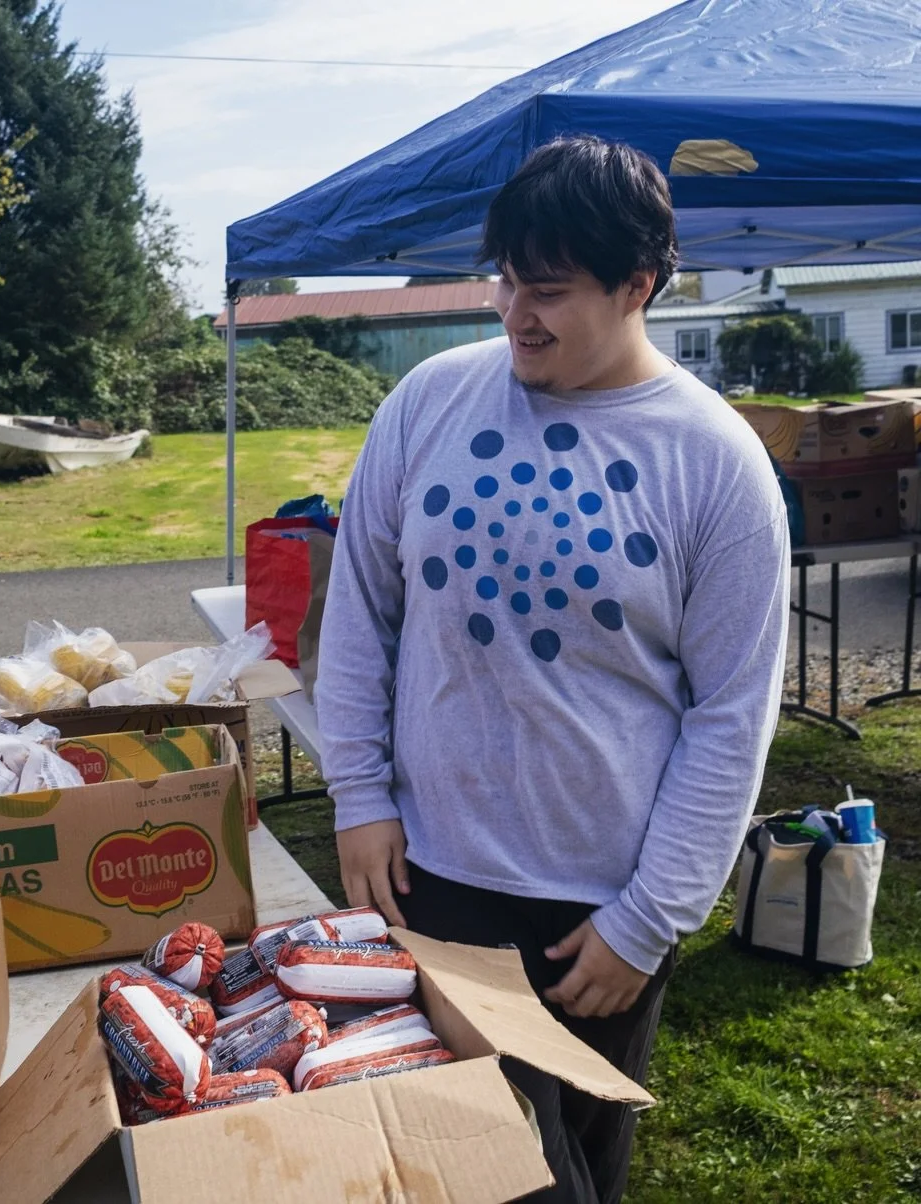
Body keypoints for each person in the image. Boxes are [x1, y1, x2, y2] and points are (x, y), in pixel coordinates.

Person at [316, 136, 789, 1204]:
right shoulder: (428, 403)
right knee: (449, 1167)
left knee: (574, 1169)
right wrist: (358, 793)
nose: (515, 311)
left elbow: (731, 714)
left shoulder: (714, 463)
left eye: (550, 289)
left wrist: (650, 917)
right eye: (505, 279)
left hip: (597, 912)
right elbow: (359, 615)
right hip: (429, 875)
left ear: (639, 285)